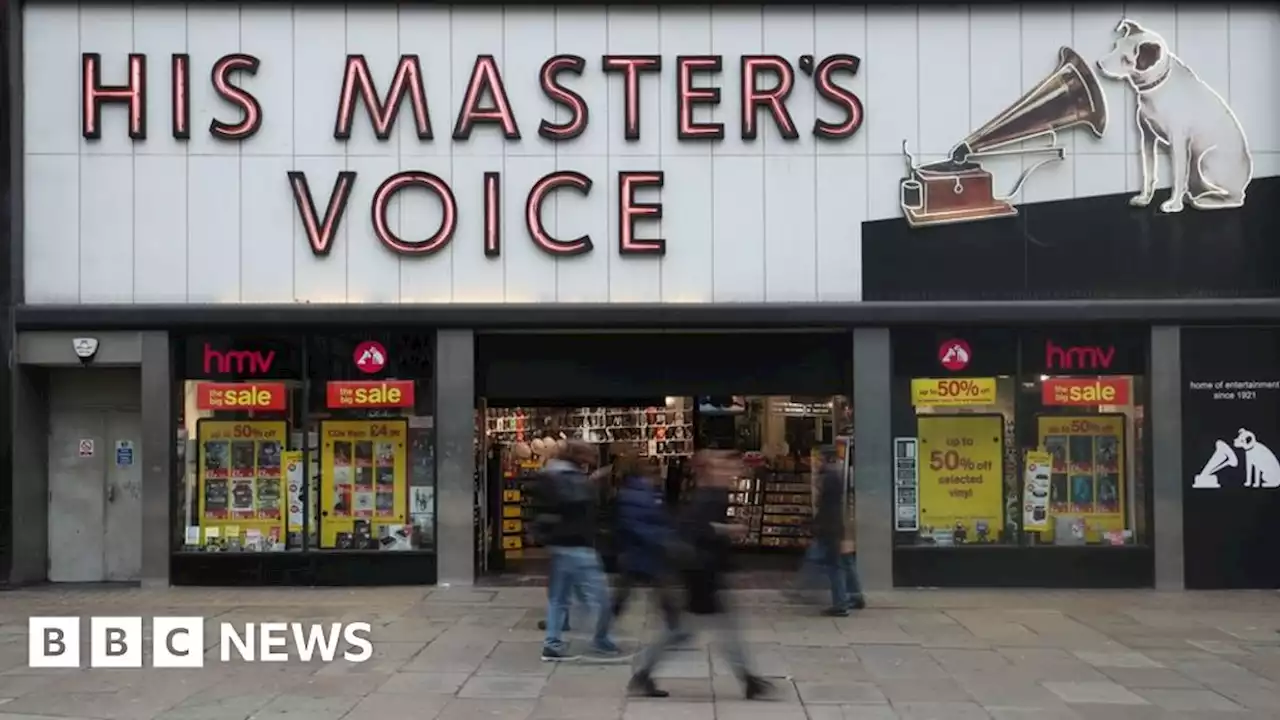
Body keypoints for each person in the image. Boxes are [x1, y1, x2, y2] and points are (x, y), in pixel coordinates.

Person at [628, 449, 773, 700]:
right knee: (712, 630)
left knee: (687, 632)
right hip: (701, 575)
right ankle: (749, 681)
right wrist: (730, 529)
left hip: (703, 573)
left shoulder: (711, 495)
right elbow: (696, 529)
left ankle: (643, 674)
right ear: (710, 471)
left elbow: (695, 528)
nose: (732, 473)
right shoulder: (710, 497)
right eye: (725, 469)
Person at [535, 441, 620, 660]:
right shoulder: (570, 479)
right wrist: (590, 484)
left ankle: (552, 644)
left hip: (559, 545)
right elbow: (575, 503)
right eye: (588, 455)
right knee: (600, 597)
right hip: (577, 545)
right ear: (578, 457)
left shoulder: (554, 474)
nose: (591, 459)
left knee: (559, 598)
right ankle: (601, 639)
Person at [610, 455, 685, 638]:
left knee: (657, 592)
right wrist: (664, 538)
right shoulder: (639, 493)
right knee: (629, 594)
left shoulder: (639, 491)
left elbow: (656, 519)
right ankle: (603, 628)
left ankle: (674, 627)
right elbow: (638, 524)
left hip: (641, 553)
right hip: (641, 553)